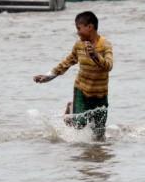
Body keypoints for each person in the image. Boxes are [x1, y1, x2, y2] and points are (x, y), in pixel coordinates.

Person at [33, 11, 113, 141]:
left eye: (79, 28)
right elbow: (67, 62)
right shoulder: (79, 45)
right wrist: (48, 76)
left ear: (90, 27)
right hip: (81, 90)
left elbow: (109, 66)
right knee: (79, 124)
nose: (77, 32)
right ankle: (71, 108)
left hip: (100, 94)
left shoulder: (105, 45)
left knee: (99, 135)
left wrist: (95, 56)